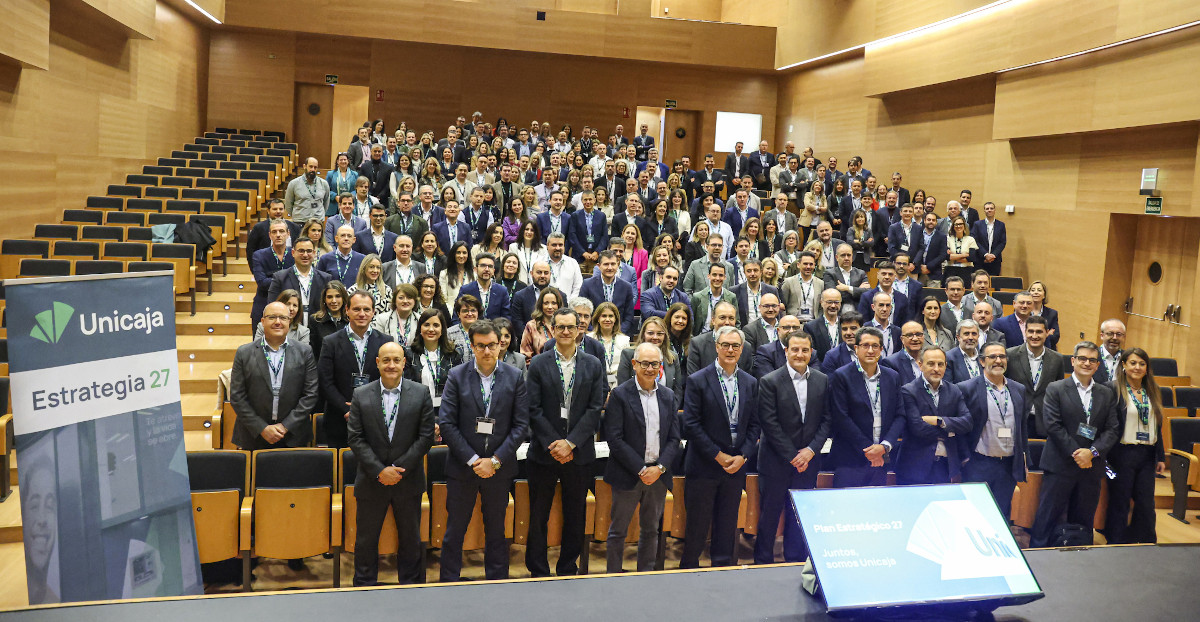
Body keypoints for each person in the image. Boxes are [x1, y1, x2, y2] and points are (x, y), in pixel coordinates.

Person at [438, 320, 530, 582]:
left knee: (496, 530)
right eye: (481, 346)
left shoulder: (514, 376)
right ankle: (448, 581)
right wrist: (475, 460)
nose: (487, 351)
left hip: (499, 470)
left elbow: (521, 425)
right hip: (463, 467)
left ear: (501, 344)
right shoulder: (457, 375)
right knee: (455, 530)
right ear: (472, 346)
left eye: (492, 345)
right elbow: (447, 423)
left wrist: (496, 461)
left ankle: (497, 581)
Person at [346, 342, 435, 586]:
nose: (391, 365)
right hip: (371, 479)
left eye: (396, 360)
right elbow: (355, 437)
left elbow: (425, 437)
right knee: (365, 540)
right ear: (377, 363)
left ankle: (410, 585)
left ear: (404, 363)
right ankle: (364, 585)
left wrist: (398, 470)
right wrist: (380, 470)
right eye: (386, 360)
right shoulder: (361, 394)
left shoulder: (420, 393)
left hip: (408, 480)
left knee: (410, 539)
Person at [524, 309, 606, 577]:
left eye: (571, 327)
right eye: (561, 327)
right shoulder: (538, 363)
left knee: (576, 513)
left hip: (579, 452)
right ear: (553, 329)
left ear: (580, 329)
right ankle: (537, 567)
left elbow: (595, 409)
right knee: (538, 514)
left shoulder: (593, 364)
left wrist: (570, 443)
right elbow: (532, 409)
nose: (567, 332)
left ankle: (568, 565)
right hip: (544, 453)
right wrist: (554, 443)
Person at [681, 326, 759, 568]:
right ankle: (688, 573)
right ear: (716, 346)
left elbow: (756, 425)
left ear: (742, 349)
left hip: (735, 467)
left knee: (727, 527)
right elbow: (691, 424)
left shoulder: (750, 382)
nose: (730, 350)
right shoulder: (697, 380)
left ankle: (722, 575)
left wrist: (743, 456)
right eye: (725, 344)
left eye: (735, 346)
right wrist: (717, 455)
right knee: (697, 527)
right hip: (704, 466)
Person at [1030, 341, 1121, 548]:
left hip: (1092, 467)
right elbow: (1053, 425)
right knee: (1047, 516)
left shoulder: (1106, 393)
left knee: (1084, 518)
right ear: (1073, 361)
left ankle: (1080, 554)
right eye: (1082, 358)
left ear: (1098, 365)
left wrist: (1092, 453)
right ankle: (1038, 553)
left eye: (1092, 360)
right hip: (1060, 464)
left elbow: (1112, 429)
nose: (1086, 363)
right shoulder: (1056, 388)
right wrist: (1077, 453)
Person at [754, 330, 830, 563]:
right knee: (770, 516)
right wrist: (792, 456)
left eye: (804, 350)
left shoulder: (822, 379)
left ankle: (794, 560)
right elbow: (769, 423)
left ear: (811, 352)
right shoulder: (770, 381)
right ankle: (763, 562)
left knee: (799, 515)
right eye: (794, 349)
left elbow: (827, 420)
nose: (800, 354)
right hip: (775, 461)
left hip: (808, 461)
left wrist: (809, 451)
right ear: (786, 351)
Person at [605, 342, 682, 573]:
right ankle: (613, 576)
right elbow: (615, 439)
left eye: (655, 364)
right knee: (618, 530)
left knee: (651, 530)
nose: (650, 368)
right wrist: (641, 469)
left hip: (658, 475)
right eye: (645, 363)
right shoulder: (619, 394)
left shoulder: (668, 396)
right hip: (629, 473)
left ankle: (645, 575)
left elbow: (674, 439)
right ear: (634, 364)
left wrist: (659, 468)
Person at [230, 301, 319, 450]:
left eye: (283, 318)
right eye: (272, 317)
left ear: (289, 321)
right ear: (262, 321)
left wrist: (285, 426)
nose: (278, 322)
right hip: (254, 435)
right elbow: (237, 396)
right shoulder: (244, 353)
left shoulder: (305, 352)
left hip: (293, 435)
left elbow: (310, 394)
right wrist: (262, 428)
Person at [317, 291, 395, 448]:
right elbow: (325, 381)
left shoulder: (386, 342)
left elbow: (389, 378)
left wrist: (368, 407)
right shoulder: (330, 342)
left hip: (375, 417)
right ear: (347, 310)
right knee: (340, 470)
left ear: (373, 312)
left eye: (366, 309)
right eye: (356, 309)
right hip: (339, 419)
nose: (362, 314)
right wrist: (345, 408)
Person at [1105, 347, 1166, 544]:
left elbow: (1157, 425)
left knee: (1146, 503)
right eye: (1133, 363)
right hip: (1122, 453)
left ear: (1147, 368)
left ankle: (1146, 542)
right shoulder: (1113, 389)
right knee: (1120, 501)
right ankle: (1117, 541)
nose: (1137, 367)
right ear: (1123, 365)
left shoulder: (1152, 391)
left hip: (1147, 454)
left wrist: (1161, 456)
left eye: (1141, 364)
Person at [828, 326, 903, 488]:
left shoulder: (892, 376)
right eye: (865, 345)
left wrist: (884, 447)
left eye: (875, 346)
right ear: (856, 348)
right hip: (850, 458)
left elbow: (900, 415)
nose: (870, 350)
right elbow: (841, 417)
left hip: (882, 458)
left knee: (876, 510)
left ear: (881, 349)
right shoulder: (842, 376)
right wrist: (869, 450)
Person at [961, 342, 1029, 519]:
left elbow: (1022, 427)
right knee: (975, 515)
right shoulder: (967, 388)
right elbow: (961, 428)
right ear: (982, 361)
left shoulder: (1018, 389)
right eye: (993, 357)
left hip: (1007, 466)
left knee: (1000, 515)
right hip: (979, 463)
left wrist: (1024, 460)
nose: (998, 361)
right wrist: (965, 457)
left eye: (1002, 356)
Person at [895, 347, 972, 485]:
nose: (936, 369)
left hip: (944, 465)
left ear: (945, 366)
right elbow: (917, 428)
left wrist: (940, 421)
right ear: (920, 365)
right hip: (914, 466)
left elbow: (967, 422)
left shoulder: (954, 390)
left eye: (940, 364)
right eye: (931, 364)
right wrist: (951, 431)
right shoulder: (908, 391)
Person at [1005, 316, 1068, 437]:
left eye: (1039, 331)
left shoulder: (1057, 359)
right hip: (1016, 418)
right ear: (1025, 332)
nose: (1034, 336)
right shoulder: (1010, 355)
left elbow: (1059, 391)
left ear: (1046, 333)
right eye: (1031, 331)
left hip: (1044, 420)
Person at [266, 237, 331, 327]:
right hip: (290, 329)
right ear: (293, 253)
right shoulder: (280, 278)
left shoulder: (326, 278)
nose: (305, 255)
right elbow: (272, 306)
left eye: (309, 251)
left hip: (318, 329)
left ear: (314, 253)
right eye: (301, 251)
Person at [404, 309, 462, 410]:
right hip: (416, 411)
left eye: (436, 325)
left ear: (442, 329)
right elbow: (406, 388)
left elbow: (459, 388)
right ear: (420, 328)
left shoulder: (454, 353)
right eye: (426, 325)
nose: (431, 329)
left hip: (447, 411)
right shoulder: (409, 353)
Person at [250, 219, 296, 331]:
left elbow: (299, 280)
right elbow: (262, 283)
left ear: (288, 234)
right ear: (270, 235)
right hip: (264, 304)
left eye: (281, 231)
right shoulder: (259, 255)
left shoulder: (295, 254)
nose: (278, 235)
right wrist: (288, 278)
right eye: (274, 232)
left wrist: (272, 277)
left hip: (291, 307)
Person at [579, 251, 636, 335]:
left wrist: (618, 333)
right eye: (606, 264)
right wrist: (594, 332)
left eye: (613, 264)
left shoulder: (626, 287)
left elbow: (629, 315)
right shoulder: (587, 284)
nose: (610, 268)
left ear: (618, 265)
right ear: (598, 266)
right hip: (593, 334)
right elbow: (583, 312)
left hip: (619, 334)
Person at [457, 253, 511, 321]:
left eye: (490, 266)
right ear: (475, 269)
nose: (487, 269)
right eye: (483, 266)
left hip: (495, 330)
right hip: (472, 330)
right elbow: (456, 317)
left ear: (493, 271)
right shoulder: (466, 290)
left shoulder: (502, 291)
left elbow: (506, 319)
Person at [591, 302, 630, 388]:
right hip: (596, 383)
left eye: (611, 316)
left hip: (619, 383)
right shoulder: (590, 339)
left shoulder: (624, 340)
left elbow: (626, 368)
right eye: (604, 316)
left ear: (615, 319)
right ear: (598, 318)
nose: (607, 319)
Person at [856, 261, 909, 325]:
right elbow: (863, 321)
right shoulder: (867, 297)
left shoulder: (902, 298)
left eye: (890, 274)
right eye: (884, 274)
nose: (887, 277)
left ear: (895, 277)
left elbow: (905, 322)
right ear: (878, 275)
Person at [690, 263, 738, 334]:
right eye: (714, 275)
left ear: (725, 277)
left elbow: (737, 322)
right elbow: (691, 323)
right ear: (709, 276)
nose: (717, 278)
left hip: (724, 336)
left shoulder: (731, 297)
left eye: (721, 275)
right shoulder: (697, 297)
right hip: (701, 337)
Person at [309, 280, 349, 363]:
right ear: (324, 299)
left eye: (338, 296)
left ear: (343, 298)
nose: (334, 301)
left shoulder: (350, 319)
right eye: (330, 297)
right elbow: (314, 351)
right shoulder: (315, 320)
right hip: (324, 368)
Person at [823, 244, 870, 311]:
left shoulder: (861, 273)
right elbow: (833, 296)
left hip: (858, 313)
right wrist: (857, 290)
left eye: (849, 255)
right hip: (838, 313)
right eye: (843, 255)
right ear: (836, 257)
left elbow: (867, 293)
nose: (846, 258)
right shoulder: (829, 273)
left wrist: (847, 288)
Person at [284, 157, 330, 223]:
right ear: (304, 166)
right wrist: (298, 216)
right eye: (310, 167)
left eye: (315, 167)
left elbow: (326, 203)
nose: (313, 169)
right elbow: (288, 205)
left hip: (318, 222)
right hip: (300, 222)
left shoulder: (324, 184)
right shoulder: (294, 183)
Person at [521, 287, 562, 360]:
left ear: (558, 305)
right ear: (541, 305)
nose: (550, 307)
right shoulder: (531, 326)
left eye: (553, 303)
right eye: (546, 303)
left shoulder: (565, 326)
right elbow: (525, 355)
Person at [803, 289, 843, 364]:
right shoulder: (811, 327)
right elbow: (812, 355)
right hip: (822, 370)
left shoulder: (846, 324)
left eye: (836, 302)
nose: (833, 306)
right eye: (829, 302)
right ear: (821, 302)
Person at [780, 252, 822, 321]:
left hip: (813, 323)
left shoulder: (820, 283)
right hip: (793, 323)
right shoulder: (789, 282)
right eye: (805, 264)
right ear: (798, 265)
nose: (808, 267)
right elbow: (783, 305)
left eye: (811, 264)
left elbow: (821, 307)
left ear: (814, 265)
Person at [881, 321, 925, 386]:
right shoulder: (891, 363)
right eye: (909, 335)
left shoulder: (931, 358)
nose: (915, 339)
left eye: (918, 334)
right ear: (902, 339)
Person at [970, 202, 1006, 275]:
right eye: (987, 209)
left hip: (995, 261)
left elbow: (1002, 242)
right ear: (984, 211)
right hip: (980, 260)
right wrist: (985, 254)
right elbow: (975, 241)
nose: (989, 210)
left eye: (991, 208)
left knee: (993, 284)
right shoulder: (977, 224)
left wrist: (993, 255)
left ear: (995, 210)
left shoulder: (1001, 225)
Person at [545, 233, 583, 300]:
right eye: (554, 245)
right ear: (547, 245)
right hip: (546, 305)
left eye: (560, 245)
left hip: (568, 306)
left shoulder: (573, 263)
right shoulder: (540, 263)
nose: (557, 248)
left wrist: (570, 304)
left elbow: (578, 287)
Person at [945, 319, 983, 384]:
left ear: (978, 336)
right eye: (966, 334)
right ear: (958, 337)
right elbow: (948, 387)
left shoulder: (983, 357)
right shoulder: (949, 358)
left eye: (974, 334)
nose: (970, 337)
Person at [944, 215, 977, 286]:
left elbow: (972, 258)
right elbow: (947, 257)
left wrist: (954, 256)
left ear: (964, 226)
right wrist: (965, 255)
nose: (958, 226)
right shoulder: (948, 239)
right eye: (956, 224)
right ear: (953, 226)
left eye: (960, 224)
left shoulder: (970, 239)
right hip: (950, 270)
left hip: (966, 271)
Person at [1028, 280, 1060, 350]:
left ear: (1044, 295)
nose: (1036, 292)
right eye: (1033, 290)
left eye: (1039, 290)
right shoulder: (1024, 311)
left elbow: (1055, 337)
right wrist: (1045, 334)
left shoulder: (1052, 313)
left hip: (1047, 350)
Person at [1095, 318, 1126, 384]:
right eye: (1110, 333)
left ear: (1124, 337)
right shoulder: (1092, 356)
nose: (1114, 337)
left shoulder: (1128, 357)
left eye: (1119, 334)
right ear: (1102, 336)